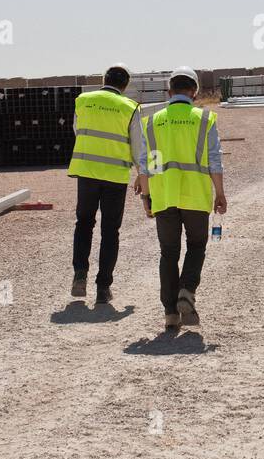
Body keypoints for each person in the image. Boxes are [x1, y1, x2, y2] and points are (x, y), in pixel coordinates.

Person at [134, 67, 227, 330]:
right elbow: (215, 160)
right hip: (195, 196)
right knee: (196, 247)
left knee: (168, 253)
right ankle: (186, 290)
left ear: (169, 91)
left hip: (164, 196)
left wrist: (146, 198)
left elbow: (147, 164)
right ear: (194, 92)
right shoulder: (205, 119)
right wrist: (219, 193)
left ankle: (170, 314)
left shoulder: (152, 121)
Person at [67, 63, 142, 304]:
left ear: (104, 79)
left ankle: (80, 275)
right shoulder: (129, 107)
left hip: (87, 172)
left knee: (84, 223)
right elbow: (137, 145)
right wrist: (142, 174)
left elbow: (78, 130)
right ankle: (103, 288)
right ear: (125, 85)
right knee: (110, 231)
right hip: (115, 176)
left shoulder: (83, 100)